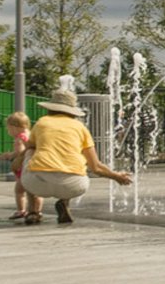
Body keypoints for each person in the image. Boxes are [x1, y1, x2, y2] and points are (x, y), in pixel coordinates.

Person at [21, 89, 133, 225]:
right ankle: (64, 201)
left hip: (38, 183)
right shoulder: (80, 127)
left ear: (50, 108)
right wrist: (117, 176)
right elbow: (96, 167)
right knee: (73, 156)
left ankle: (33, 212)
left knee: (31, 152)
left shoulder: (42, 122)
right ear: (72, 111)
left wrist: (17, 161)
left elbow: (29, 147)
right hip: (74, 186)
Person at [1, 112, 35, 220]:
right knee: (33, 191)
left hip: (23, 167)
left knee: (19, 190)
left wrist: (9, 155)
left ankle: (21, 210)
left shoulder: (19, 139)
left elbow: (20, 152)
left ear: (15, 127)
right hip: (33, 165)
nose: (9, 131)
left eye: (9, 129)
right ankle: (35, 210)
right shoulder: (30, 134)